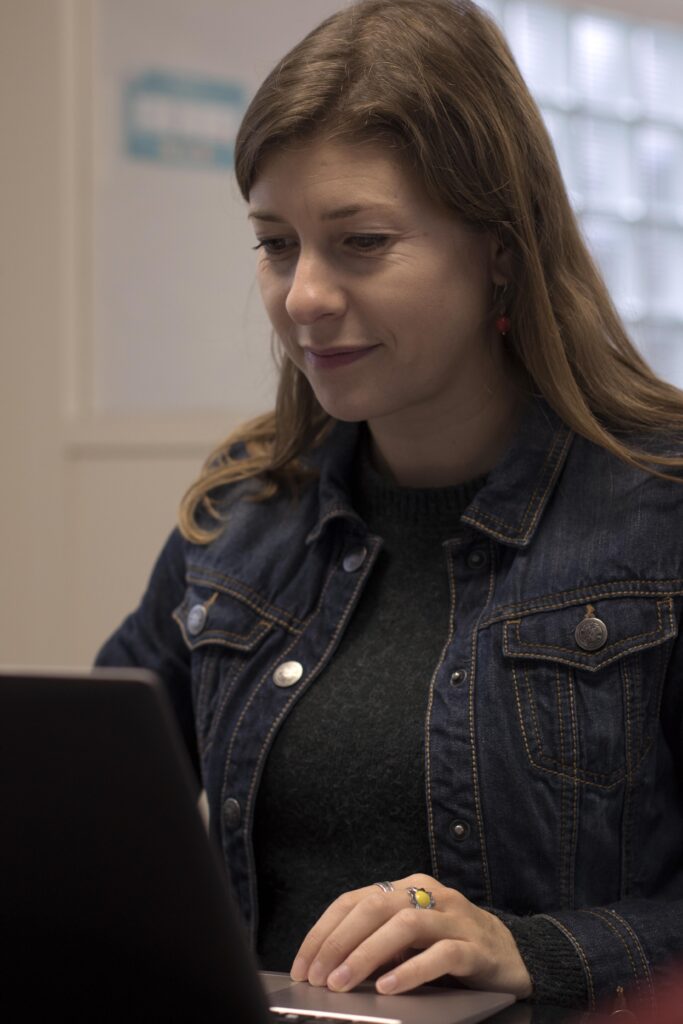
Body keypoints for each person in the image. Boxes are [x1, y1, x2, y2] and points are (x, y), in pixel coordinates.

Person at [96, 0, 683, 1011]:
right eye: (276, 245)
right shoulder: (240, 518)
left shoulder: (655, 512)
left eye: (359, 242)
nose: (302, 297)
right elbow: (83, 799)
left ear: (498, 248)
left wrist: (528, 947)